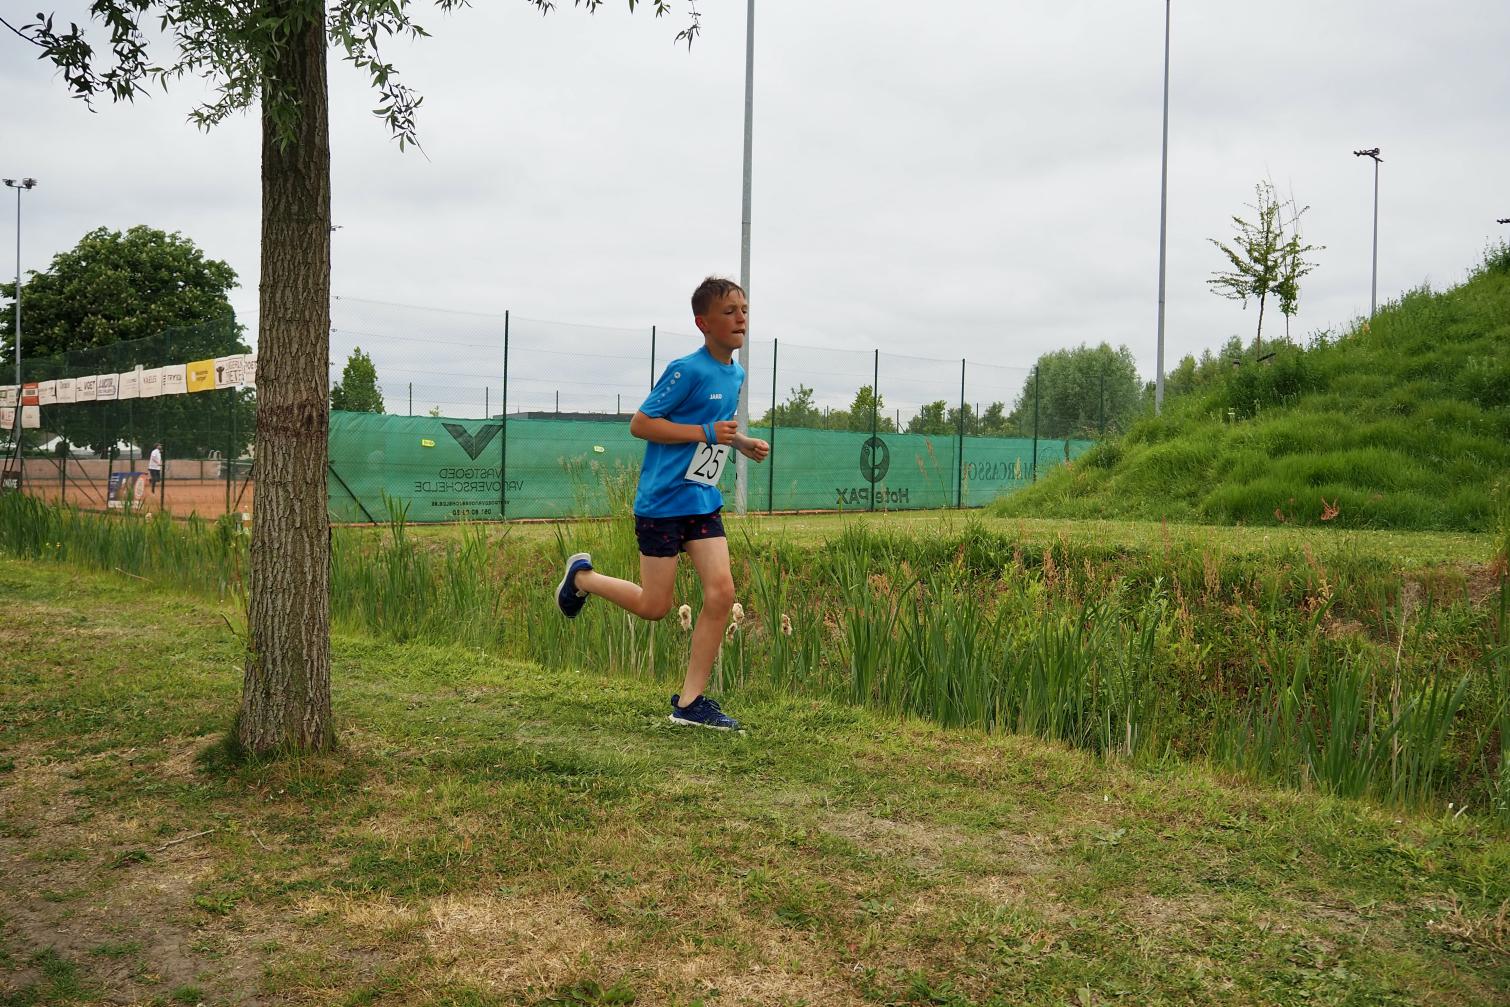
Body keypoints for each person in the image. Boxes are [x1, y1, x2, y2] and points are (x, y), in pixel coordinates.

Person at [555, 276, 769, 731]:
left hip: (701, 499)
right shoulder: (686, 370)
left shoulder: (736, 374)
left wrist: (741, 442)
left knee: (722, 592)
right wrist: (705, 433)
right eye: (729, 312)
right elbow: (641, 423)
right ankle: (583, 578)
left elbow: (716, 426)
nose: (741, 319)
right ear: (703, 323)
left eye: (745, 310)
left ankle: (690, 704)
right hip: (662, 504)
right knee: (655, 606)